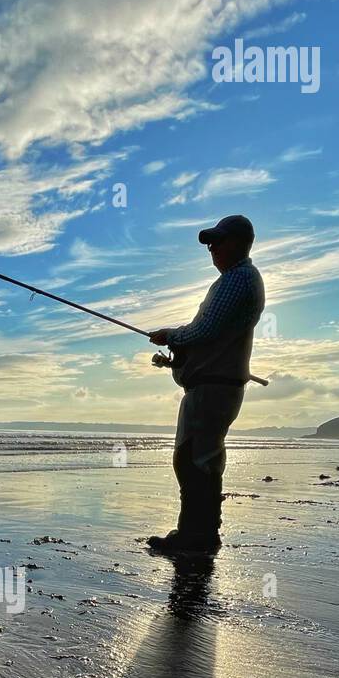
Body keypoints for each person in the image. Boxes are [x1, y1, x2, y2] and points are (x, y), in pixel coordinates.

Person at [146, 214, 265, 557]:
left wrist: (171, 335)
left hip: (213, 388)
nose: (211, 248)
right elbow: (209, 331)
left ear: (240, 243)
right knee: (200, 459)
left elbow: (204, 329)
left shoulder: (238, 279)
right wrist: (176, 351)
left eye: (218, 241)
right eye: (210, 242)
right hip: (213, 386)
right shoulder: (238, 279)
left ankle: (196, 537)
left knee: (194, 460)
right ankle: (199, 533)